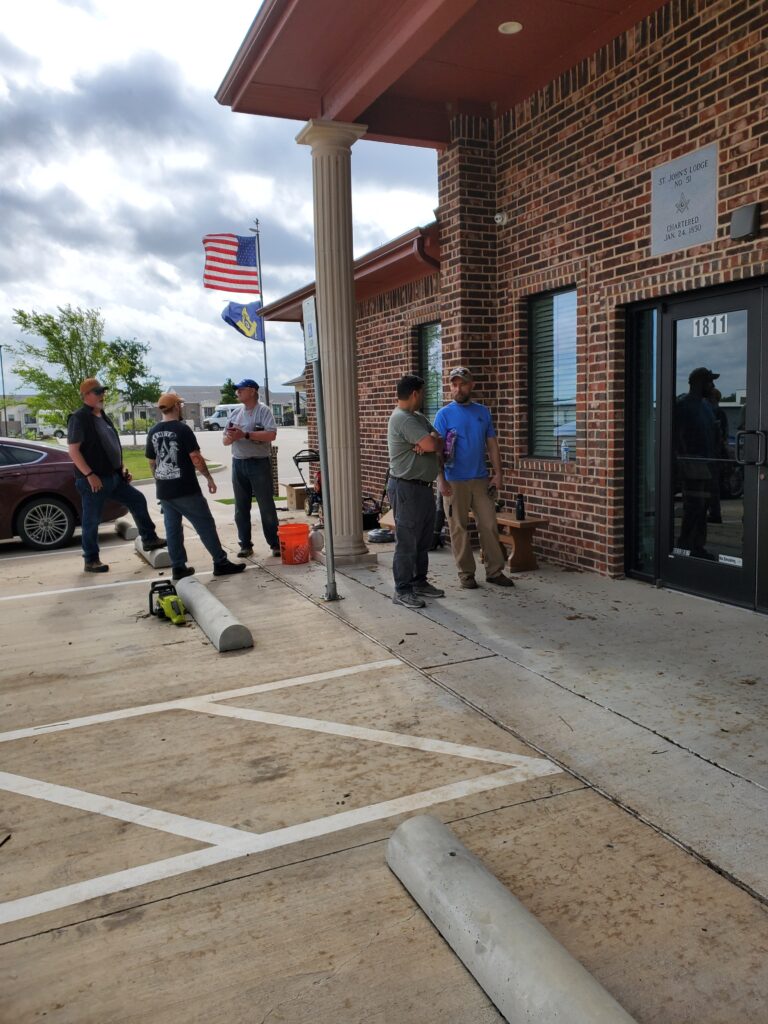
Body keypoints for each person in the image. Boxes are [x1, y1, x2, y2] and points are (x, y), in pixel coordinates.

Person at [67, 377, 165, 573]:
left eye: (103, 391)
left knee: (137, 499)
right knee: (91, 520)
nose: (102, 395)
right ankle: (91, 560)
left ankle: (149, 539)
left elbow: (110, 446)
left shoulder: (103, 416)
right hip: (94, 480)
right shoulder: (79, 418)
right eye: (97, 392)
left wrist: (121, 469)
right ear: (86, 395)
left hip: (113, 477)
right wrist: (89, 474)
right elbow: (73, 451)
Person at [146, 394, 245, 581]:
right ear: (176, 406)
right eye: (180, 404)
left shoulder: (153, 431)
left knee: (173, 529)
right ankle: (220, 562)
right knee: (205, 524)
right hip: (185, 489)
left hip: (165, 491)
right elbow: (195, 458)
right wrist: (209, 478)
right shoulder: (183, 430)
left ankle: (178, 567)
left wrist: (159, 480)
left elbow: (152, 461)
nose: (181, 407)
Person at [434, 367, 515, 589]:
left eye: (462, 384)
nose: (458, 388)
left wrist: (498, 474)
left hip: (480, 479)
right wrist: (440, 479)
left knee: (489, 525)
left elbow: (492, 444)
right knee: (458, 528)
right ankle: (466, 574)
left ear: (472, 385)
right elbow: (437, 450)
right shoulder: (444, 415)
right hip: (454, 481)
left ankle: (494, 571)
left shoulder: (483, 412)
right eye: (454, 384)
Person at [386, 374, 444, 609]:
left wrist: (430, 442)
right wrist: (429, 443)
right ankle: (402, 590)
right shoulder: (402, 418)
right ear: (415, 394)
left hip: (422, 487)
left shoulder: (417, 417)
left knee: (423, 538)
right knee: (407, 541)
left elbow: (439, 440)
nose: (424, 397)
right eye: (422, 392)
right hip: (406, 487)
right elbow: (433, 445)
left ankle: (419, 581)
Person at [223, 379, 280, 558]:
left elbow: (271, 434)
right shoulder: (235, 413)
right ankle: (245, 544)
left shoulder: (263, 411)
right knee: (241, 507)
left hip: (259, 463)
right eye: (237, 390)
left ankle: (275, 544)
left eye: (241, 389)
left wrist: (245, 434)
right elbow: (224, 440)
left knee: (266, 506)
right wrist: (232, 437)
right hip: (238, 463)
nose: (237, 392)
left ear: (253, 391)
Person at [674, 366, 719, 559]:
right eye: (710, 381)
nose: (713, 385)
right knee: (694, 506)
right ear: (699, 383)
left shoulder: (706, 406)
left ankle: (697, 547)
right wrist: (682, 461)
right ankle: (684, 545)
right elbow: (675, 435)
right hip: (691, 463)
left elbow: (714, 433)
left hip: (708, 463)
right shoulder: (683, 404)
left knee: (703, 508)